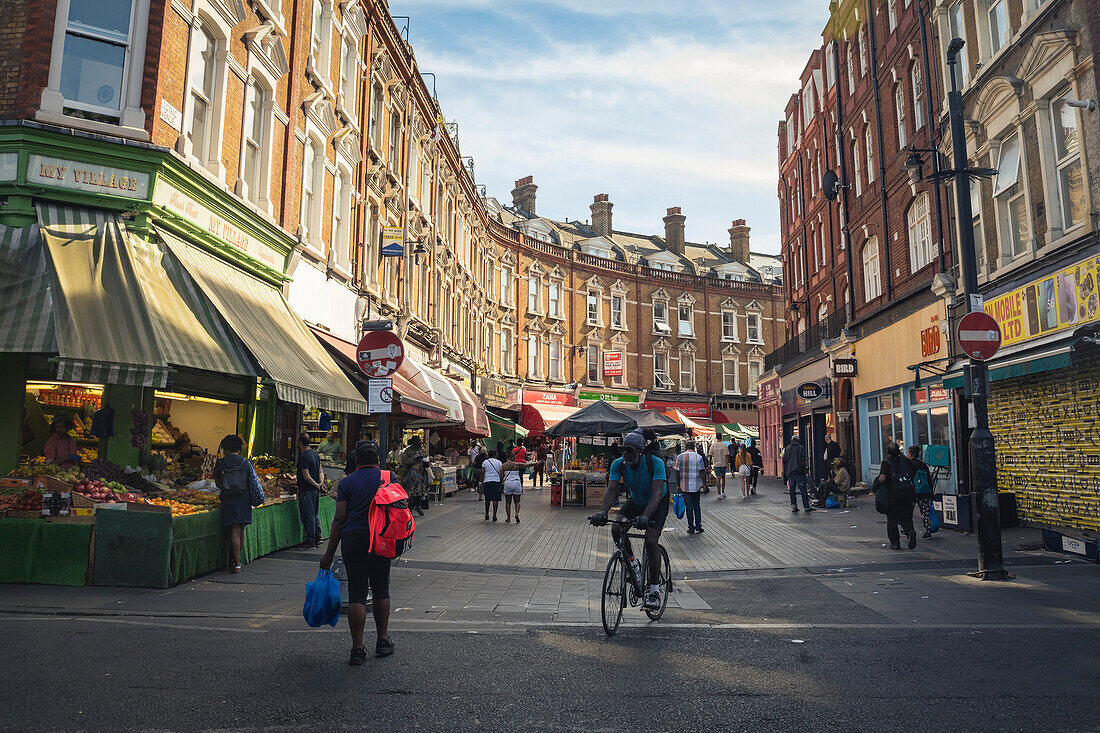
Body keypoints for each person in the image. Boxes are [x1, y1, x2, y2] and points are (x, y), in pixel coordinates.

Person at [319, 442, 394, 664]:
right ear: (378, 460)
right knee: (381, 589)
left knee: (357, 593)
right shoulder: (389, 478)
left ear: (357, 461)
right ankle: (382, 640)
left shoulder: (347, 482)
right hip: (380, 539)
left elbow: (340, 518)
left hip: (354, 539)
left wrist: (329, 553)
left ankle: (357, 648)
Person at [593, 431, 668, 610]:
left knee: (650, 541)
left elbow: (658, 492)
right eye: (622, 450)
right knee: (617, 528)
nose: (625, 453)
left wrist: (645, 517)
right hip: (636, 501)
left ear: (640, 452)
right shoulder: (618, 464)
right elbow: (612, 490)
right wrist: (603, 512)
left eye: (629, 450)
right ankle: (633, 563)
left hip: (656, 503)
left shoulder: (656, 463)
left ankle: (654, 591)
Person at [214, 434, 264, 573]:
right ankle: (236, 560)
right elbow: (252, 481)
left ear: (226, 448)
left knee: (234, 531)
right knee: (241, 530)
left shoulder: (221, 463)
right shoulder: (246, 462)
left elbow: (218, 483)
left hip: (228, 499)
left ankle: (236, 564)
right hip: (244, 499)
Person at [875, 442, 918, 550]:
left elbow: (882, 478)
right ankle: (910, 531)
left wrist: (877, 483)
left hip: (893, 495)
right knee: (906, 516)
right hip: (908, 493)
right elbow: (913, 470)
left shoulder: (886, 462)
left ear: (887, 452)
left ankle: (895, 542)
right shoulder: (904, 460)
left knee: (892, 519)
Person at [296, 433, 323, 547]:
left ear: (301, 443)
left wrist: (316, 484)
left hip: (307, 490)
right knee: (315, 513)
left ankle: (310, 539)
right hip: (315, 491)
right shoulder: (315, 454)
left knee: (308, 514)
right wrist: (320, 483)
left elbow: (306, 476)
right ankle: (318, 536)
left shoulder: (304, 457)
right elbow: (321, 471)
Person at [676, 442, 707, 534]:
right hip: (696, 486)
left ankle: (691, 527)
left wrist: (678, 485)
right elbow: (702, 472)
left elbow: (677, 472)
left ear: (686, 447)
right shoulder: (699, 457)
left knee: (689, 507)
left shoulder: (679, 457)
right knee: (696, 505)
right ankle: (698, 526)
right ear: (693, 448)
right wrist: (704, 484)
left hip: (684, 486)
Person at [781, 434, 814, 513]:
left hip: (790, 473)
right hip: (799, 472)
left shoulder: (787, 449)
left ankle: (793, 506)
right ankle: (806, 506)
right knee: (803, 489)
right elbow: (802, 460)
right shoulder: (801, 448)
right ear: (798, 440)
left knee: (792, 490)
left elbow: (784, 461)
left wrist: (786, 470)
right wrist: (805, 469)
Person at [908, 445, 934, 539]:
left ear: (910, 453)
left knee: (908, 511)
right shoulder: (923, 465)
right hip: (924, 491)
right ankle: (927, 531)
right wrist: (931, 491)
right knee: (925, 510)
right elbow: (928, 479)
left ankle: (908, 529)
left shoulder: (909, 464)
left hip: (912, 491)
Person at [399, 436, 428, 517]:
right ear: (414, 442)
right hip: (410, 476)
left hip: (420, 476)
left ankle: (417, 506)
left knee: (419, 493)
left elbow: (427, 461)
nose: (420, 443)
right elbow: (404, 461)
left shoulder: (423, 451)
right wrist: (414, 459)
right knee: (411, 493)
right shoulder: (408, 451)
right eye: (418, 441)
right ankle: (410, 508)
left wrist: (426, 462)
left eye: (420, 441)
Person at [480, 450, 504, 521]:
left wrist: (480, 482)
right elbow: (501, 472)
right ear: (495, 455)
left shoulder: (485, 462)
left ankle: (487, 514)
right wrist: (501, 480)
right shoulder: (499, 462)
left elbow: (482, 472)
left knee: (487, 499)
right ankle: (494, 515)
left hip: (487, 481)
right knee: (495, 499)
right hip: (496, 482)